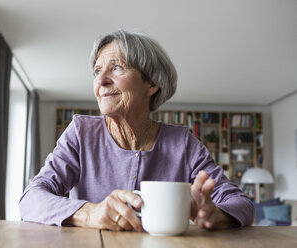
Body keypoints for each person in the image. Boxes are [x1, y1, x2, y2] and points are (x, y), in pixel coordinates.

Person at [19, 30, 254, 231]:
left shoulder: (182, 143)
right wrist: (90, 213)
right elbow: (31, 198)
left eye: (117, 67)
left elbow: (240, 203)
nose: (101, 81)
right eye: (97, 71)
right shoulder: (81, 133)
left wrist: (217, 215)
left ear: (152, 84)